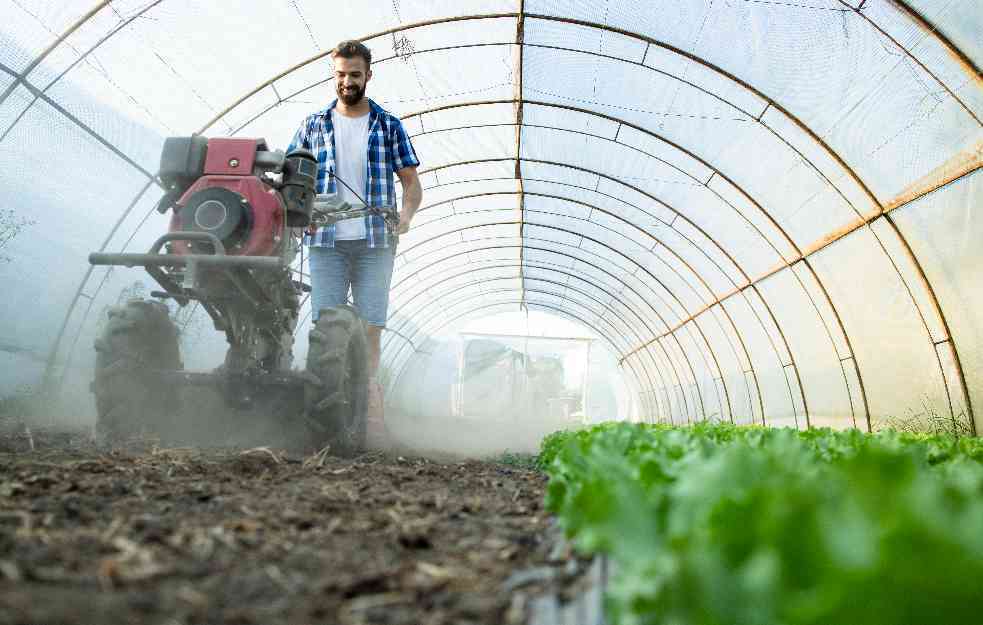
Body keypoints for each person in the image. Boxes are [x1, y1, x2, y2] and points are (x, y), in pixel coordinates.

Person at [287, 39, 422, 417]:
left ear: (368, 76)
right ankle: (327, 406)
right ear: (334, 75)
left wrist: (406, 217)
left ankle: (365, 405)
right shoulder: (311, 127)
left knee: (369, 327)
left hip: (376, 242)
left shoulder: (388, 126)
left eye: (355, 75)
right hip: (326, 240)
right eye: (341, 75)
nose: (348, 82)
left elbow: (411, 183)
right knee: (325, 327)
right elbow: (292, 181)